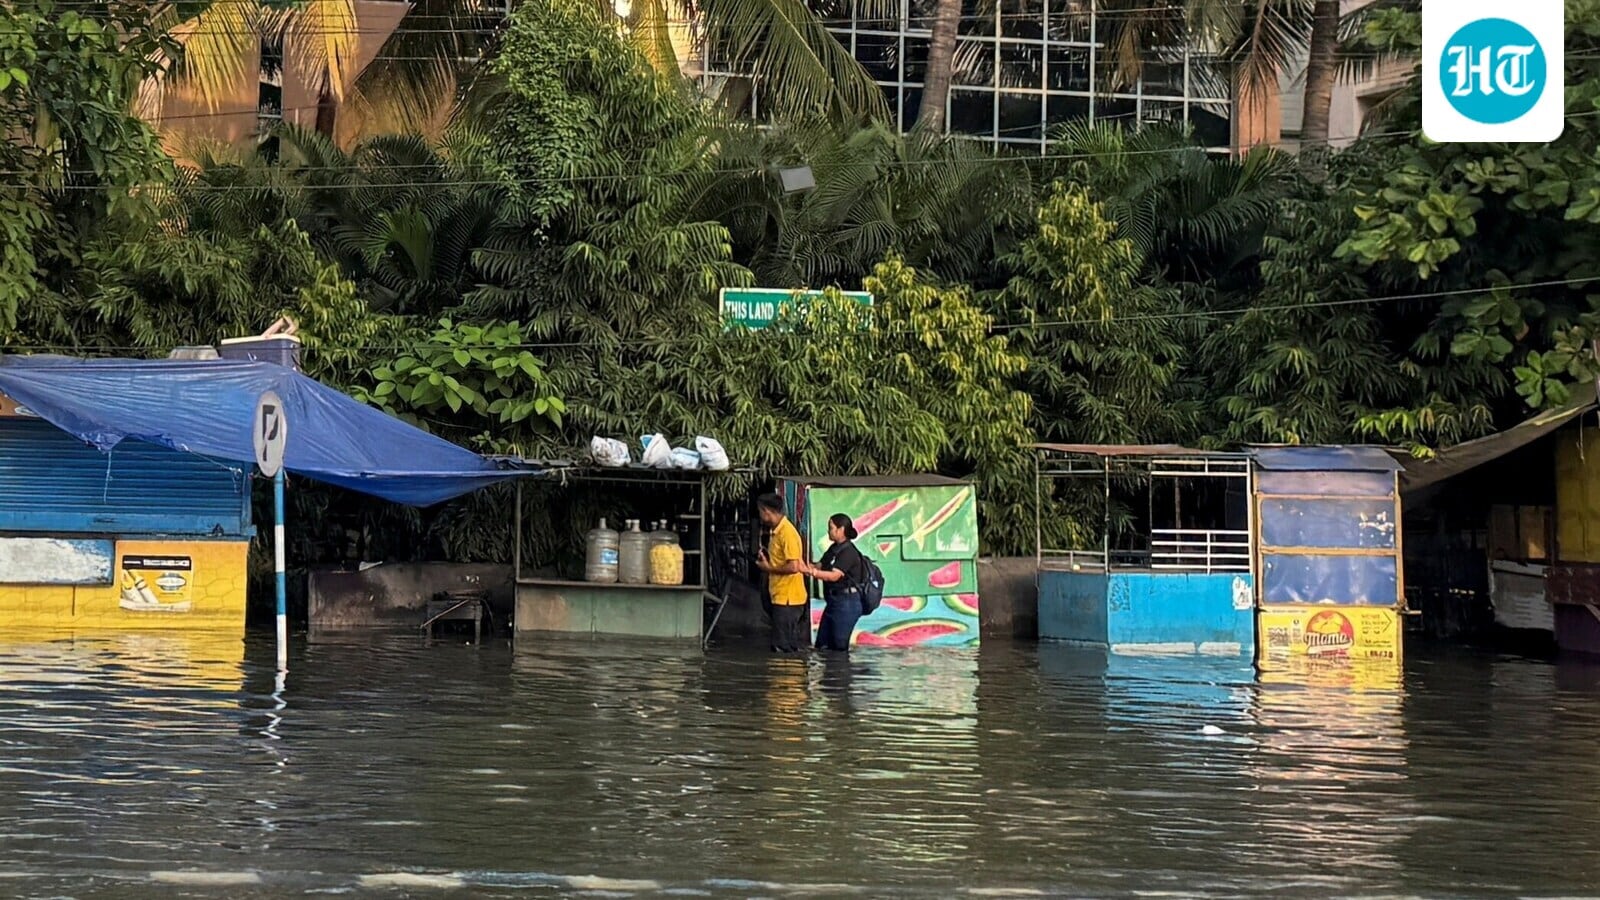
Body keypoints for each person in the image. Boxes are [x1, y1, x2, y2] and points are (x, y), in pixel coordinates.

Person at [806, 513, 868, 652]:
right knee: (822, 643)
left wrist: (813, 573)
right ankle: (830, 672)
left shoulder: (849, 552)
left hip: (848, 602)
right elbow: (821, 565)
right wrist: (806, 567)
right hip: (834, 600)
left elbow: (834, 576)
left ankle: (840, 672)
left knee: (839, 645)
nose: (828, 531)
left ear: (840, 530)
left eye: (831, 528)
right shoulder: (834, 548)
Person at [754, 493, 808, 653]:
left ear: (766, 511)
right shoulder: (776, 532)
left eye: (760, 511)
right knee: (784, 644)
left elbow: (794, 567)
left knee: (782, 647)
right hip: (780, 597)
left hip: (788, 600)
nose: (760, 515)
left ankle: (786, 677)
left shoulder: (787, 533)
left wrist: (768, 568)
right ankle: (787, 675)